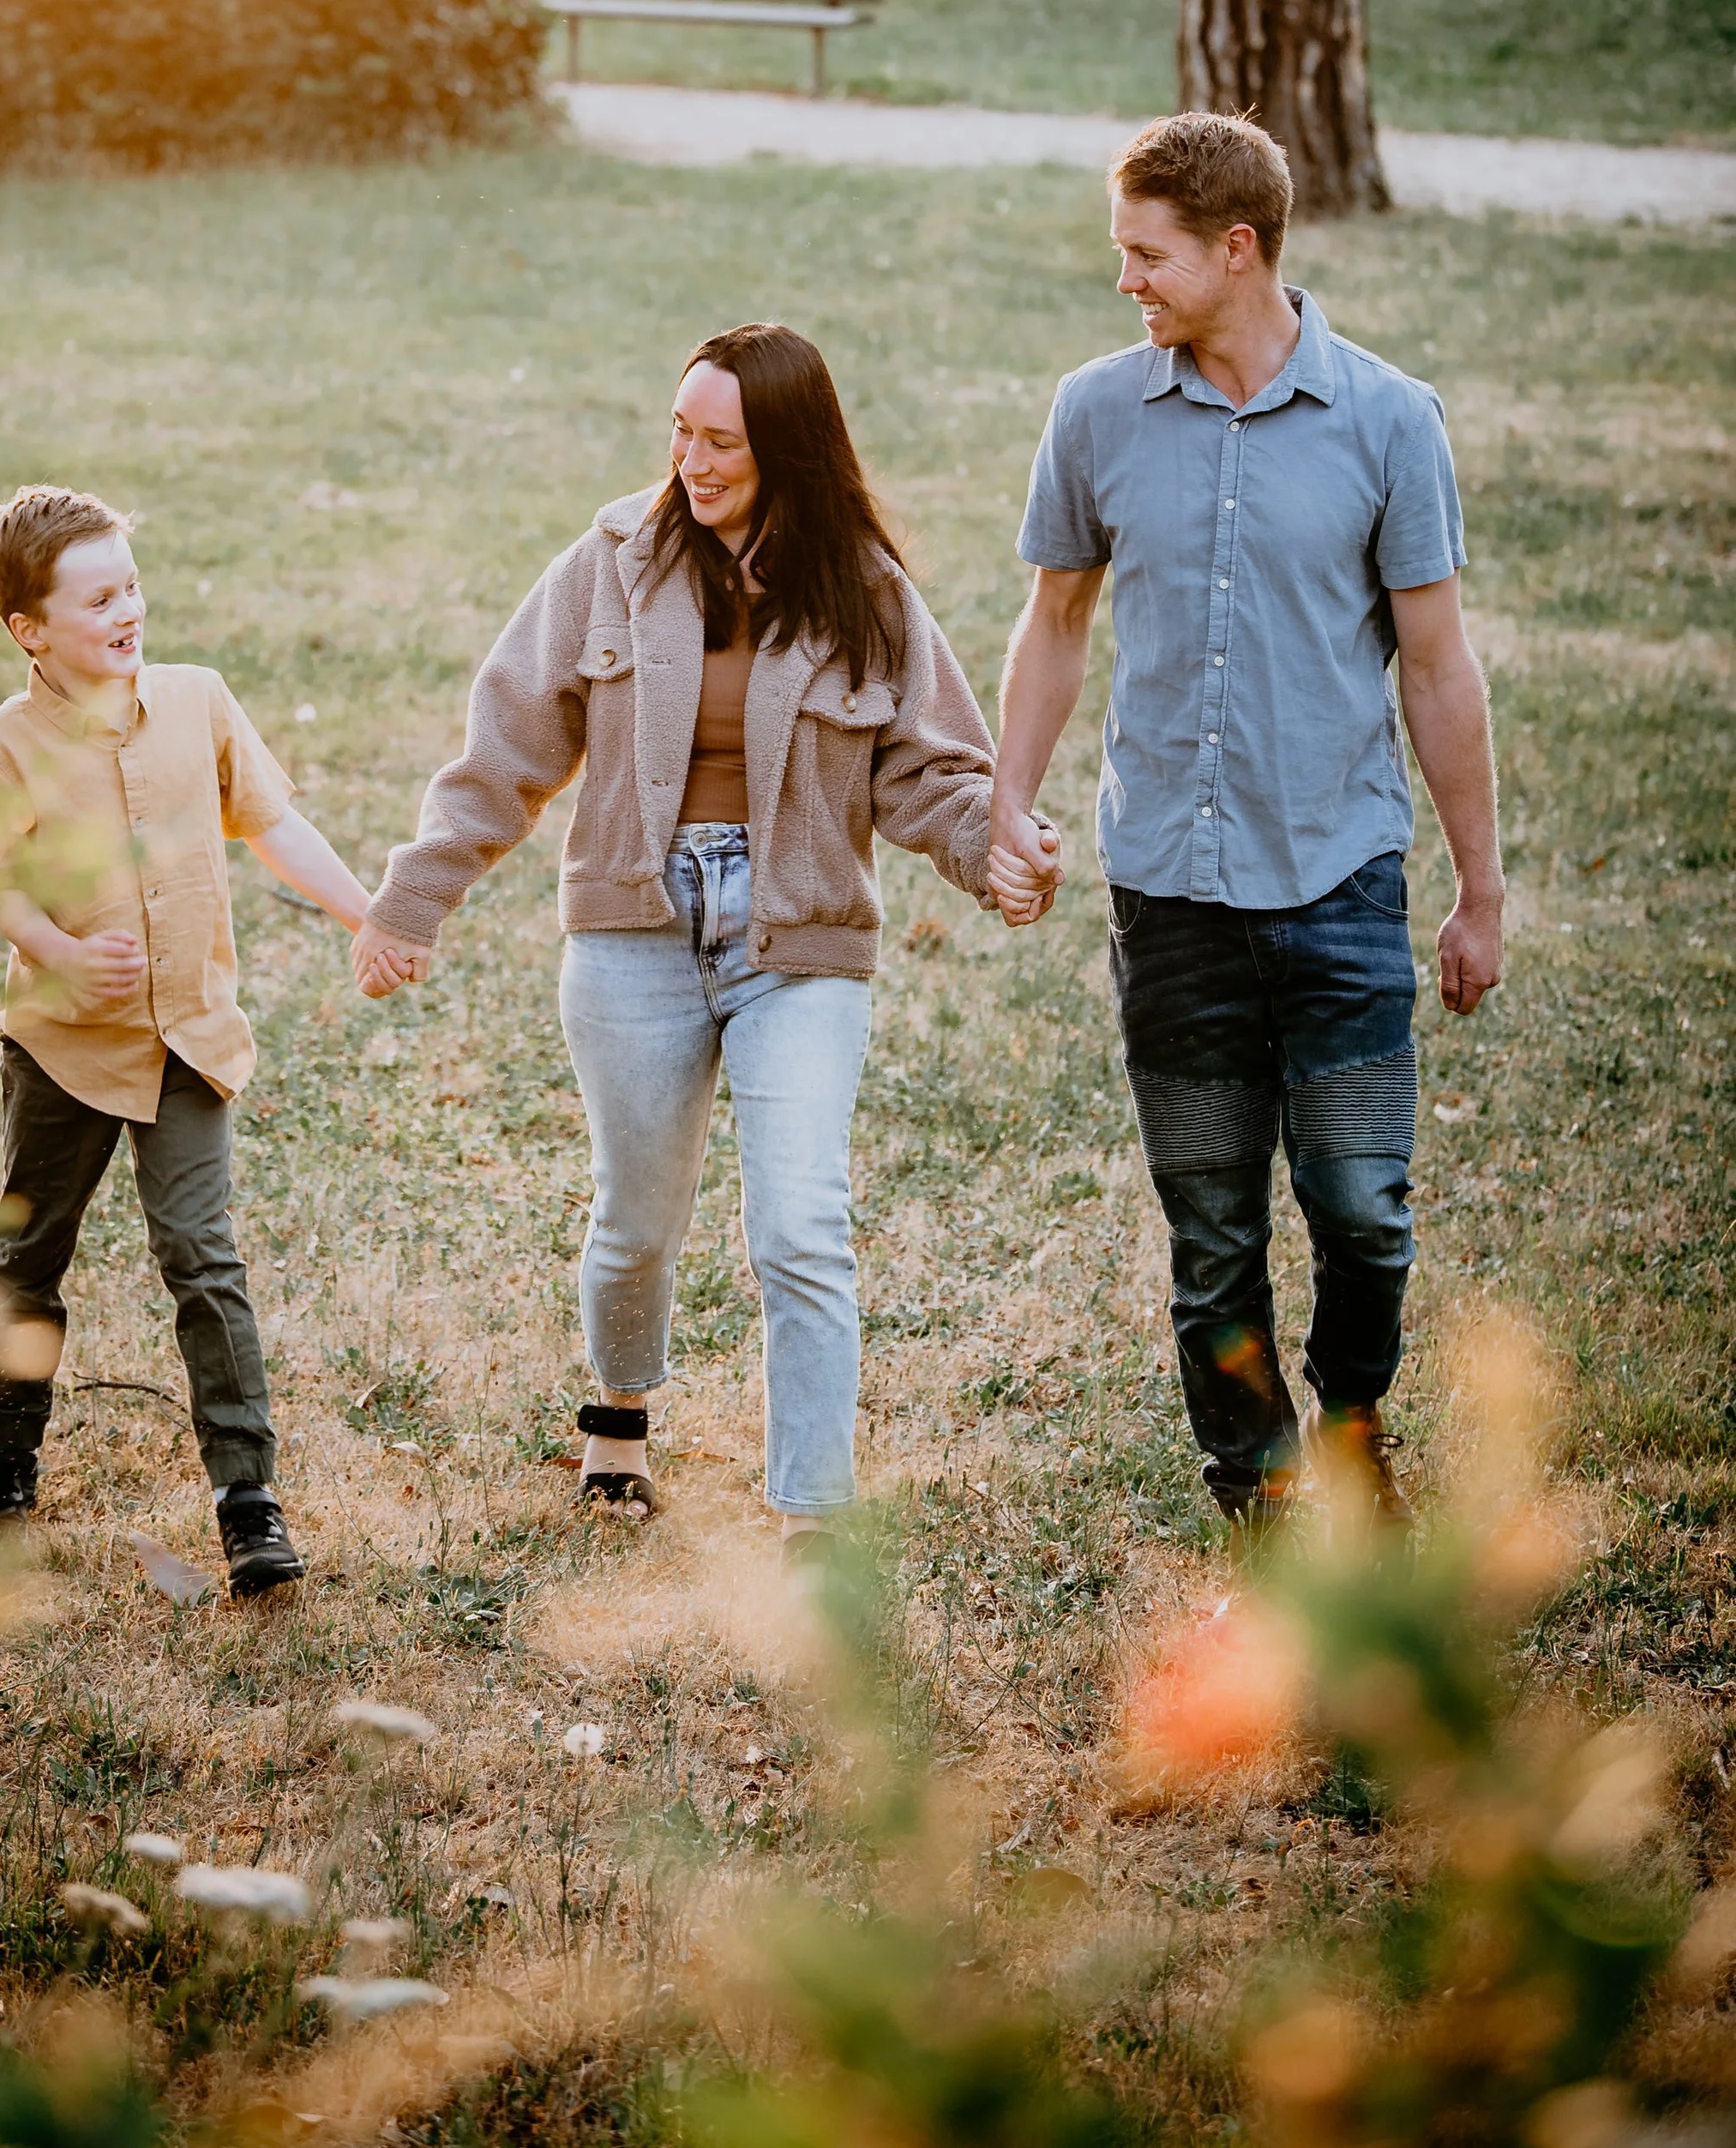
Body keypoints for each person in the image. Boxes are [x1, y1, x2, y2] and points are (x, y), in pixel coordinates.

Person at [349, 323, 1000, 1558]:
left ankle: (813, 1512)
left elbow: (931, 770)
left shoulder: (865, 590)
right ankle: (619, 1417)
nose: (690, 462)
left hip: (797, 934)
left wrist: (993, 851)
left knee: (802, 1227)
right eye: (680, 433)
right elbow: (506, 745)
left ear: (789, 451)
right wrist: (413, 897)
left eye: (721, 443)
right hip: (635, 930)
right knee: (636, 1224)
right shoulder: (610, 565)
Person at [988, 114, 1504, 1531]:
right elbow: (1054, 622)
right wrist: (1009, 800)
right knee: (1211, 1230)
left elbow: (1438, 667)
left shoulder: (1390, 420)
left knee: (1363, 1210)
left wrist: (1480, 891)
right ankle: (1256, 1483)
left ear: (1236, 249)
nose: (1125, 282)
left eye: (1146, 256)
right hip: (1169, 893)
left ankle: (1352, 1423)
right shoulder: (1096, 411)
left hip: (1340, 887)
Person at [0, 482, 373, 1594]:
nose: (128, 611)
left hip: (190, 1038)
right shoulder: (3, 747)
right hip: (65, 1051)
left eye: (131, 587)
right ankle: (7, 1453)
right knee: (28, 1258)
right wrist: (58, 949)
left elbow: (272, 822)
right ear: (30, 629)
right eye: (98, 600)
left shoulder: (197, 701)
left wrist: (367, 914)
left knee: (203, 1256)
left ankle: (248, 1500)